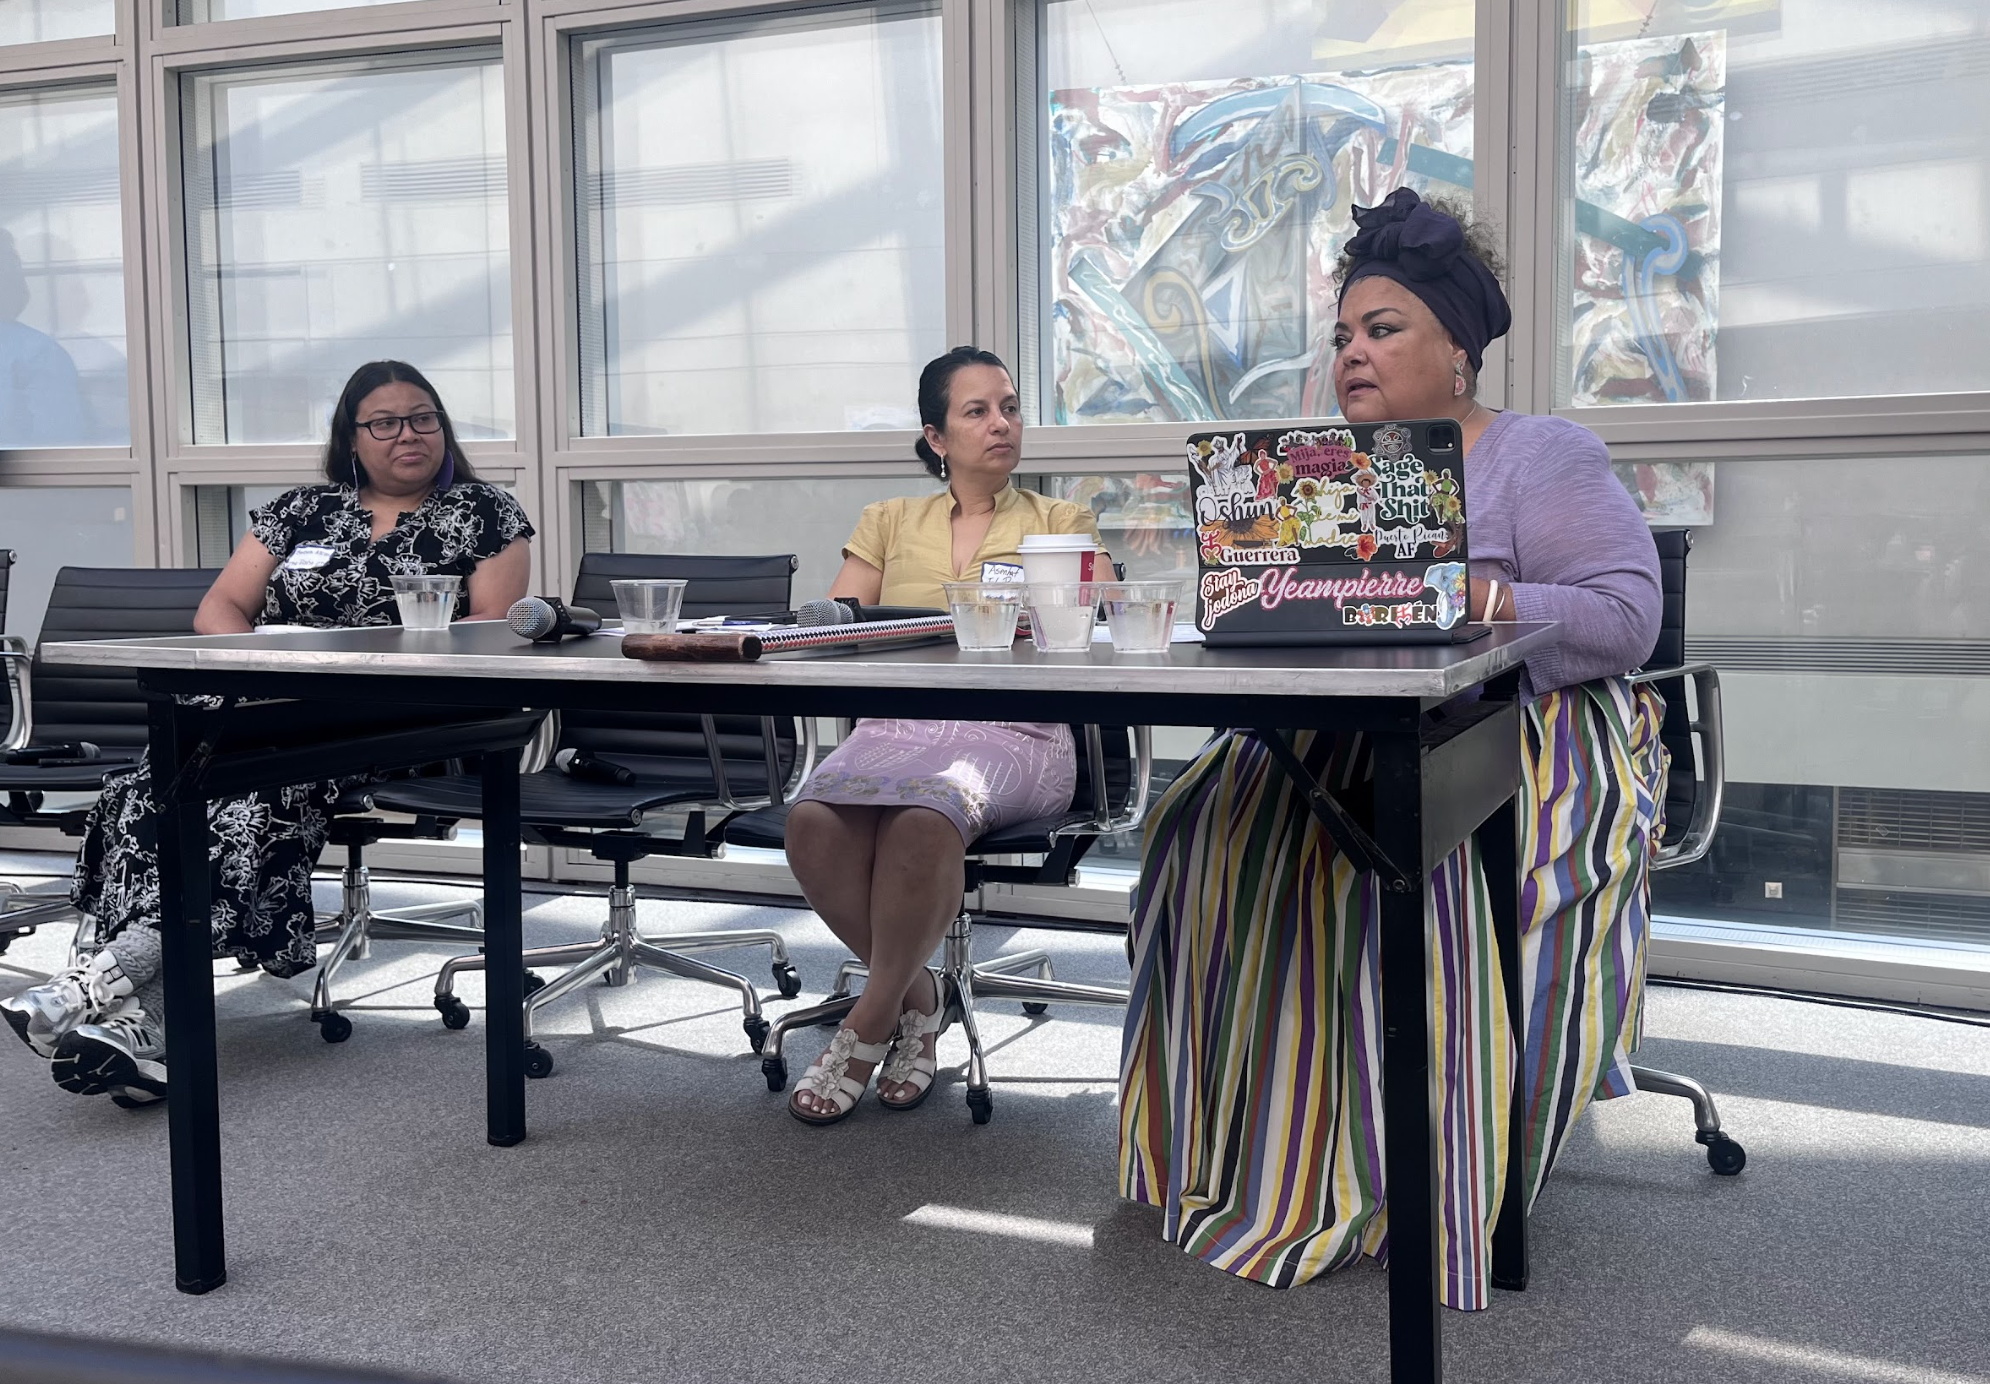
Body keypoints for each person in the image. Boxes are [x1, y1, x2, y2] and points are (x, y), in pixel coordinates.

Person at [1117, 188, 1665, 1308]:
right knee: (1196, 828)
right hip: (1351, 728)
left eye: (1382, 329)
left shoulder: (1537, 454)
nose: (1350, 354)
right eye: (1340, 336)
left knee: (1426, 873)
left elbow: (1624, 616)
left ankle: (1413, 1161)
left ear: (1456, 351)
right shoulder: (1318, 480)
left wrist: (1473, 589)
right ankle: (1257, 1142)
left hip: (1518, 731)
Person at [0, 361, 533, 1107]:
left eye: (424, 418)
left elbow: (491, 632)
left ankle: (103, 981)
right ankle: (142, 1031)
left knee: (254, 794)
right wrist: (256, 666)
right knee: (157, 786)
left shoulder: (486, 512)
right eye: (385, 422)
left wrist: (369, 660)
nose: (408, 434)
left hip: (409, 714)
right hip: (269, 703)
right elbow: (221, 606)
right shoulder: (299, 511)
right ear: (351, 437)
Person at [781, 346, 1106, 1125]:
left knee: (925, 819)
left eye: (1010, 407)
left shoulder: (1060, 520)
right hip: (900, 721)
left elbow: (1084, 625)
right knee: (812, 821)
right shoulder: (888, 521)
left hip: (1016, 729)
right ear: (936, 437)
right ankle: (918, 994)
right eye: (977, 411)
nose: (1002, 423)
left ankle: (869, 1019)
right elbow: (840, 631)